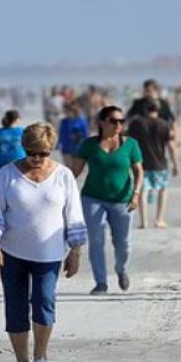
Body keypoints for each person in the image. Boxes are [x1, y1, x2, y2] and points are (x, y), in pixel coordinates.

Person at [0, 122, 87, 362]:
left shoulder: (63, 176)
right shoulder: (7, 174)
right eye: (32, 152)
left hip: (49, 254)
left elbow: (74, 215)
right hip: (12, 252)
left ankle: (41, 358)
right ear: (24, 148)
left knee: (43, 303)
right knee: (15, 308)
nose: (37, 158)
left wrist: (76, 251)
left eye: (44, 153)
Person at [69, 106, 144, 294]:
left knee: (123, 243)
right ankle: (101, 282)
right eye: (113, 121)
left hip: (122, 199)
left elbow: (138, 171)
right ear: (102, 122)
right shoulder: (88, 144)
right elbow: (74, 173)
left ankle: (121, 269)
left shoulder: (131, 144)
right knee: (96, 241)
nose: (118, 124)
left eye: (121, 121)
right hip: (92, 198)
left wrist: (136, 194)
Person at [126, 99, 179, 229]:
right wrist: (176, 164)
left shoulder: (136, 124)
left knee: (142, 191)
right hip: (160, 164)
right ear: (157, 110)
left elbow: (127, 141)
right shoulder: (164, 124)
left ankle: (144, 222)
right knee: (162, 190)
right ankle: (159, 219)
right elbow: (171, 146)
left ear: (145, 110)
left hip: (141, 164)